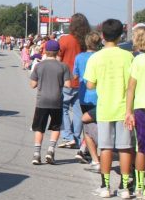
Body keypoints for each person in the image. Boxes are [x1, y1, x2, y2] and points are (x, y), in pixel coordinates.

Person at [84, 18, 135, 198]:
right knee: (125, 147)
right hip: (125, 109)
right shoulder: (128, 56)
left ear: (103, 36)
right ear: (121, 36)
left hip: (105, 108)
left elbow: (90, 85)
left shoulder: (96, 57)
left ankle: (105, 186)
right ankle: (124, 187)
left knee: (105, 148)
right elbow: (132, 82)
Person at [125, 27, 145, 200]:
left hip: (140, 108)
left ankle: (138, 186)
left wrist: (128, 111)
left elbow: (131, 88)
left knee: (141, 148)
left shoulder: (139, 60)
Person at [29, 40, 71, 165]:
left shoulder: (39, 66)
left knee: (39, 128)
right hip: (56, 101)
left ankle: (36, 154)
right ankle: (51, 151)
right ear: (58, 51)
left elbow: (32, 84)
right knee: (56, 127)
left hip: (42, 101)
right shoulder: (63, 66)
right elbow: (68, 85)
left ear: (45, 51)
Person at [57, 13, 91, 151]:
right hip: (82, 82)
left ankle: (68, 136)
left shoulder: (65, 40)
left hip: (66, 80)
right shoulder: (85, 42)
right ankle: (76, 138)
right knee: (78, 112)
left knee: (62, 109)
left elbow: (58, 60)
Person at [73, 31, 101, 166]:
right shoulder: (100, 57)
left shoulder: (79, 57)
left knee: (87, 124)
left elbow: (75, 75)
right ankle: (85, 149)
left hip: (84, 94)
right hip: (99, 94)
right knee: (98, 123)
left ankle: (86, 149)